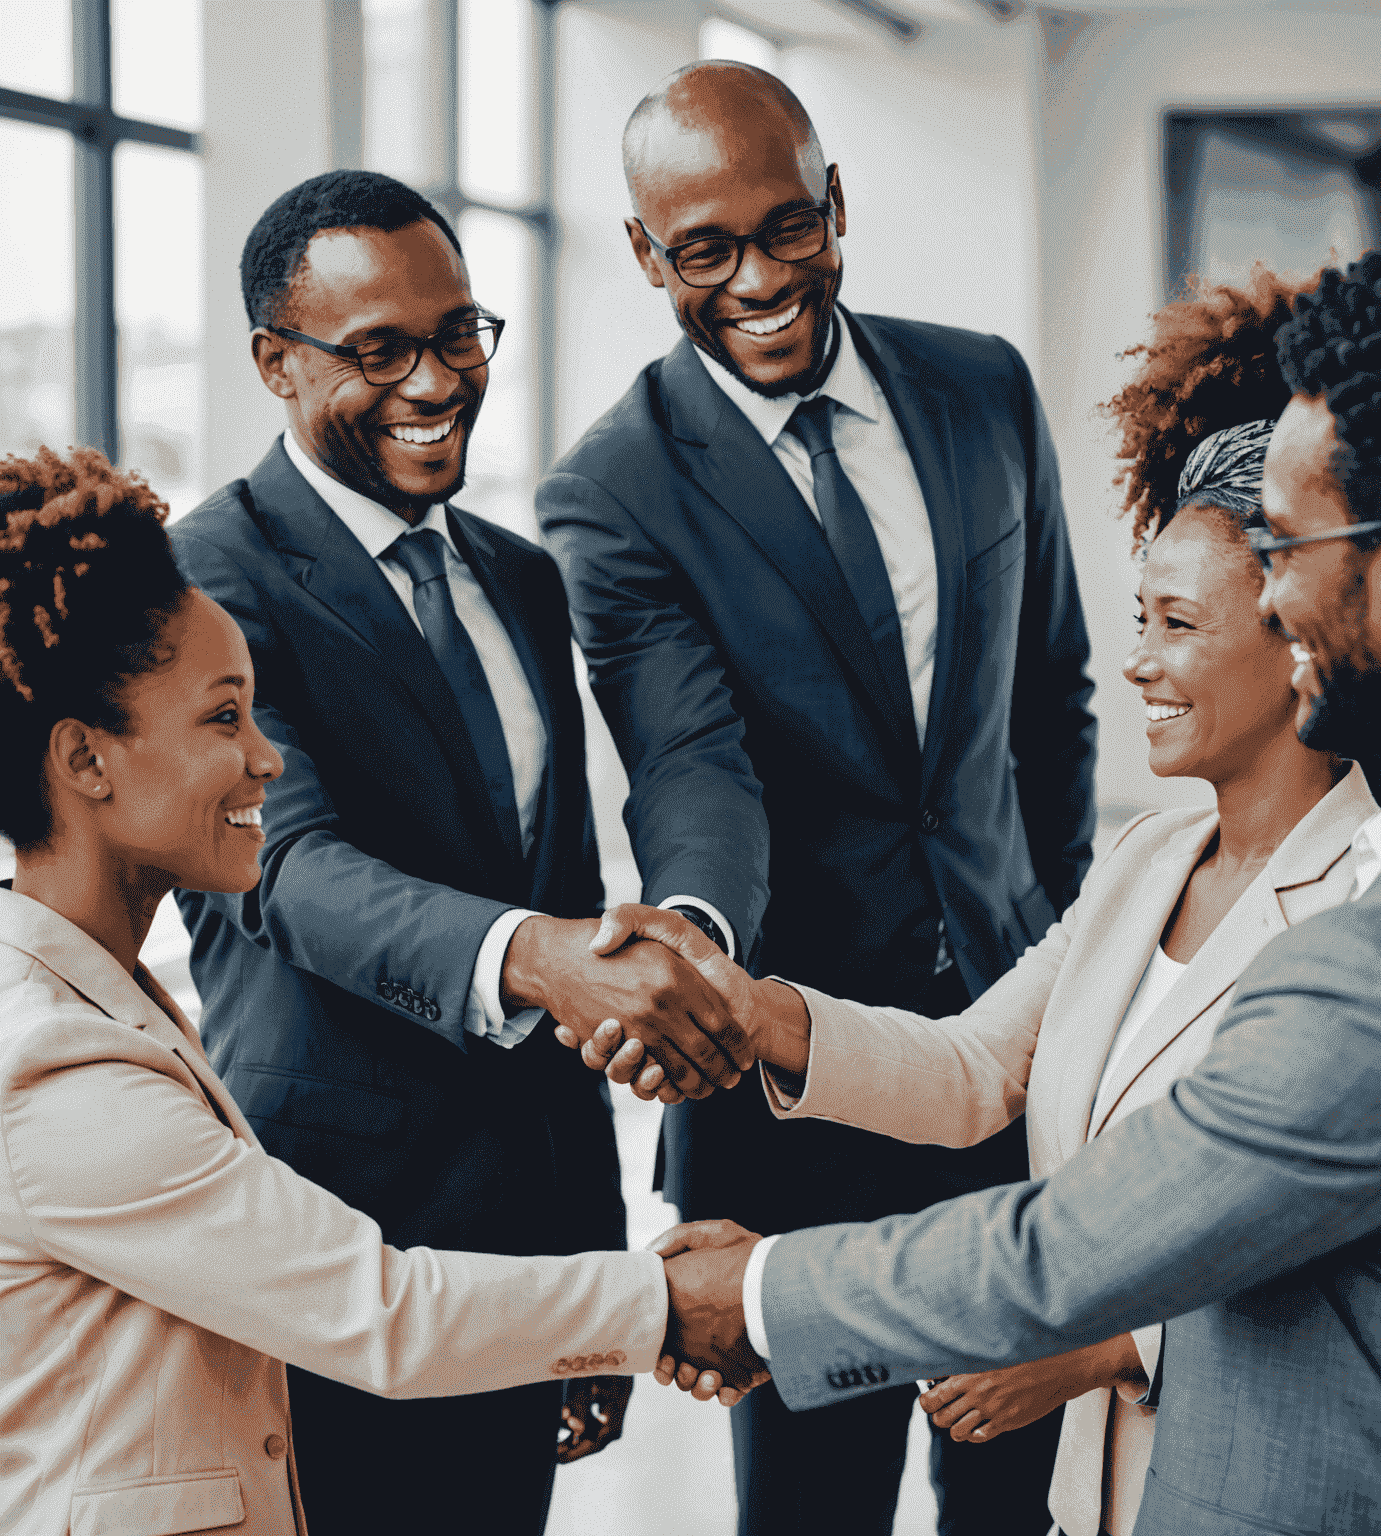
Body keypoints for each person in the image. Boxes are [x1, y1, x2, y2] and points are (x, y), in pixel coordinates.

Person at [646, 233, 1381, 1533]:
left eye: (1288, 551)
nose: (1280, 598)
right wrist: (758, 1011)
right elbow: (977, 1072)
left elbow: (1064, 1252)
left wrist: (753, 1295)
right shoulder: (1176, 866)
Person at [536, 62, 1095, 1534]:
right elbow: (691, 761)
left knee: (1018, 1490)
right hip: (786, 1087)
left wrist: (1080, 953)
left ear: (837, 204)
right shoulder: (614, 490)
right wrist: (701, 945)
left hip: (1013, 1047)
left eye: (790, 229)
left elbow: (1054, 699)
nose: (761, 281)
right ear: (648, 255)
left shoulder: (983, 386)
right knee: (814, 1513)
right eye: (706, 252)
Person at [168, 171, 751, 1534]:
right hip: (335, 1238)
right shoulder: (208, 582)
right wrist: (548, 961)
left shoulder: (515, 573)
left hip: (520, 1244)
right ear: (276, 362)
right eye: (381, 350)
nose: (439, 380)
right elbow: (287, 869)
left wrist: (586, 1275)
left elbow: (546, 887)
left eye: (461, 334)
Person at [0, 447, 704, 1536]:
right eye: (225, 719)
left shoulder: (93, 986)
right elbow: (386, 1314)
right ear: (87, 762)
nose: (270, 762)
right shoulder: (50, 1069)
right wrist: (666, 1304)